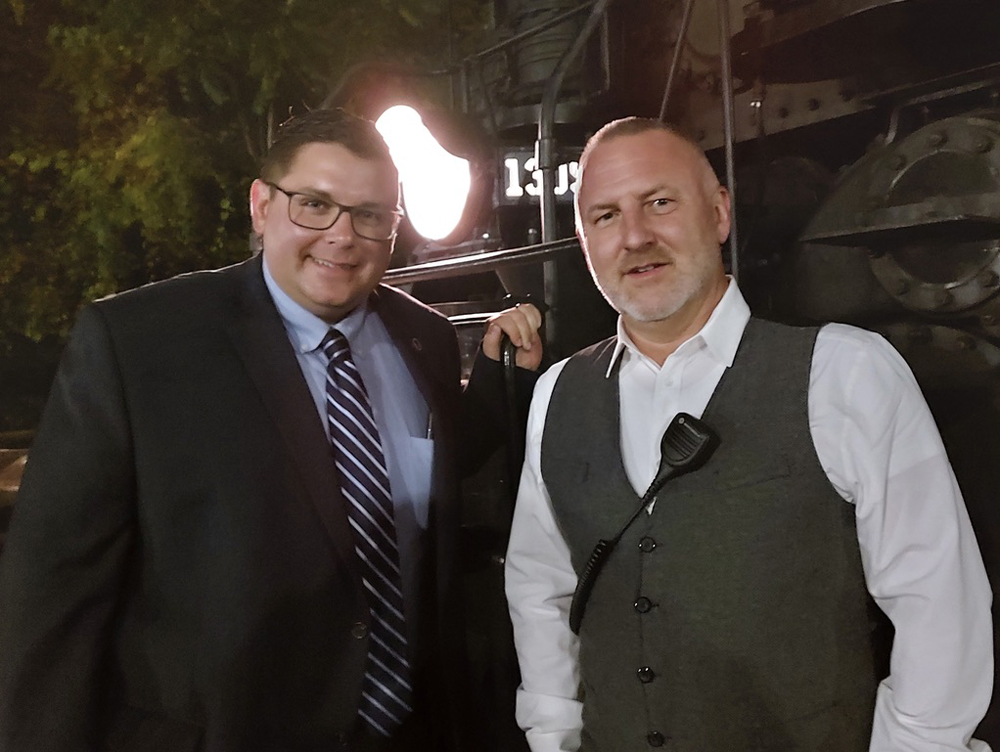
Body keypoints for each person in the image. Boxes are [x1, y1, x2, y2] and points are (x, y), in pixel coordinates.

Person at [0, 108, 542, 752]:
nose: (343, 236)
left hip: (409, 729)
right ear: (261, 205)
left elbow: (422, 475)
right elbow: (53, 593)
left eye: (371, 214)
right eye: (314, 204)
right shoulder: (139, 344)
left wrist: (498, 375)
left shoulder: (420, 335)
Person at [504, 116, 994, 752]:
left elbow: (938, 603)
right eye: (605, 216)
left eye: (659, 202)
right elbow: (540, 589)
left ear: (718, 214)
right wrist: (554, 738)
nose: (635, 236)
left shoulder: (846, 373)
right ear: (584, 239)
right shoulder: (557, 393)